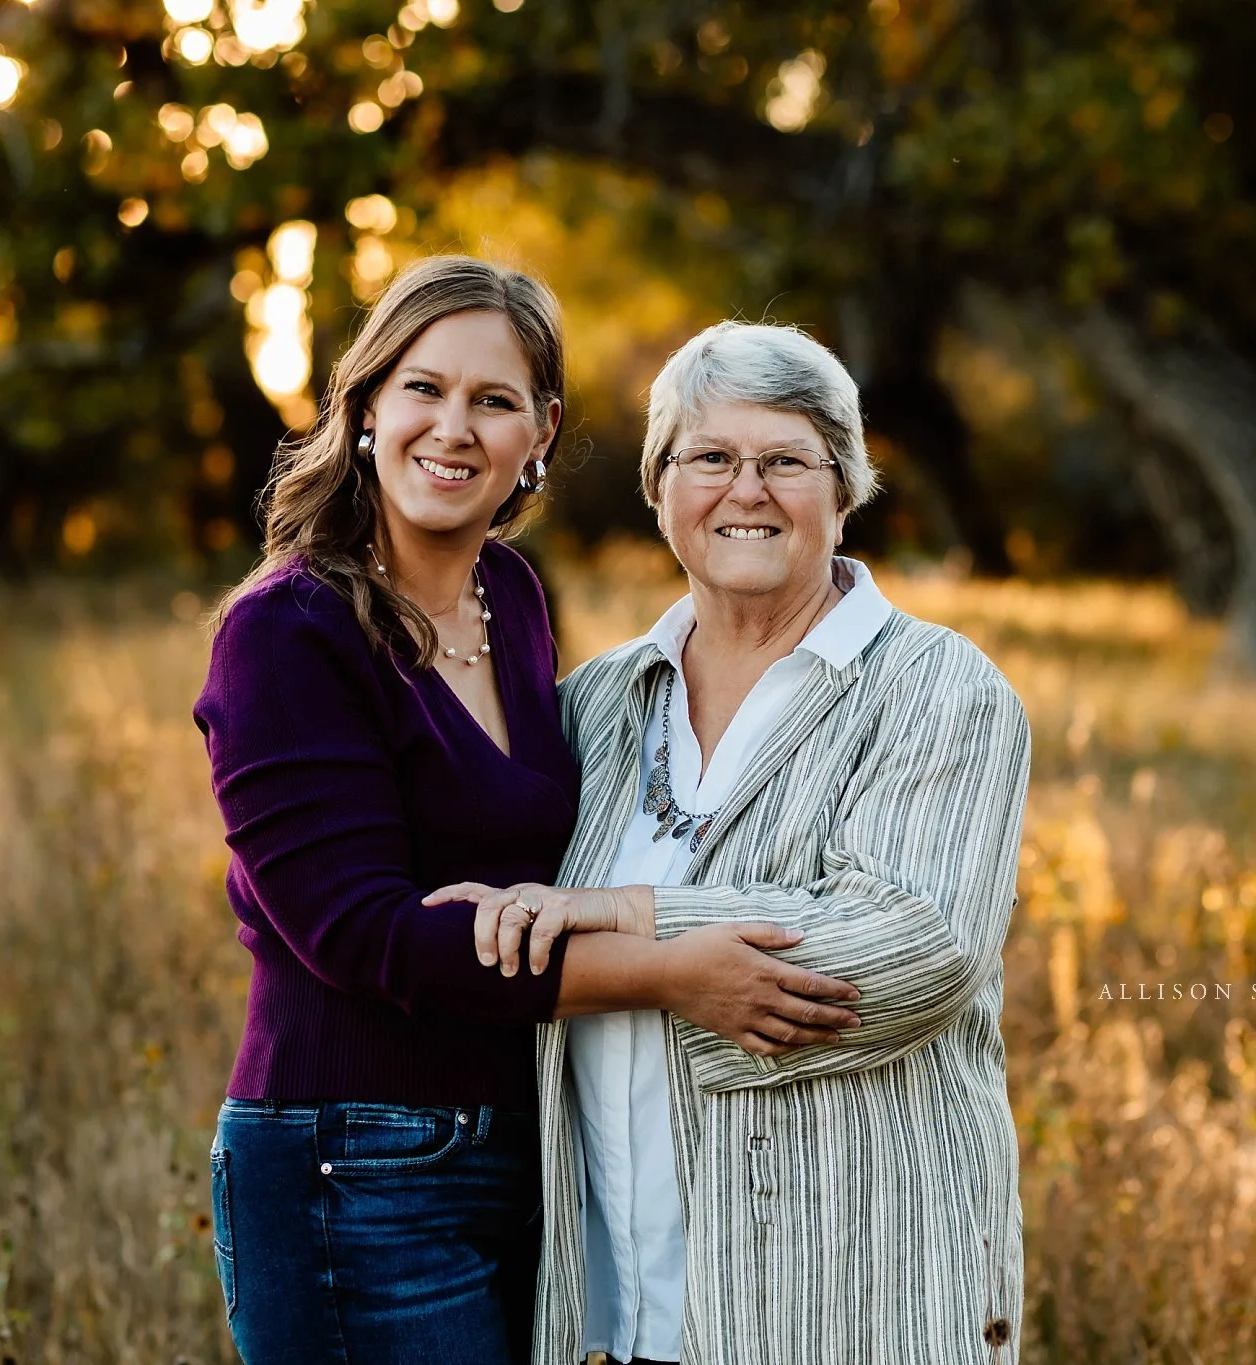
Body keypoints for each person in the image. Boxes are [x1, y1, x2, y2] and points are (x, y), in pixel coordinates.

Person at [194, 262, 863, 1365]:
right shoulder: (287, 630)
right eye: (423, 388)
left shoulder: (509, 595)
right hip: (348, 1158)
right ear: (365, 407)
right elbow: (363, 934)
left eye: (493, 400)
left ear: (540, 432)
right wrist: (670, 972)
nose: (453, 428)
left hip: (528, 1153)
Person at [437, 321, 1034, 1365]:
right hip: (614, 1312)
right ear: (658, 487)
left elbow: (911, 947)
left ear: (844, 490)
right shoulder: (594, 703)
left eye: (786, 462)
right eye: (708, 457)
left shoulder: (938, 690)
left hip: (845, 1303)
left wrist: (627, 916)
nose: (745, 490)